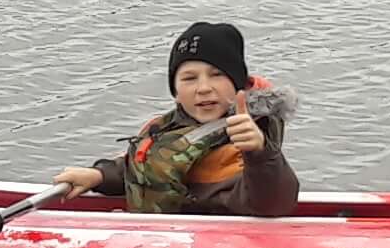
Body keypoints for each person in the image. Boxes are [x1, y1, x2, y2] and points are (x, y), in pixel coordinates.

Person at [55, 21, 302, 218]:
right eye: (189, 78)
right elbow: (141, 167)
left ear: (238, 84)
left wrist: (259, 152)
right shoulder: (166, 128)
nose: (203, 88)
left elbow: (273, 204)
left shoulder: (247, 140)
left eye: (216, 75)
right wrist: (98, 176)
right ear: (175, 91)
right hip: (157, 246)